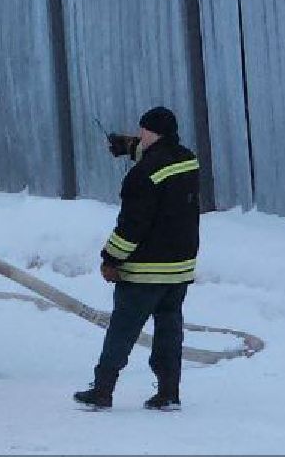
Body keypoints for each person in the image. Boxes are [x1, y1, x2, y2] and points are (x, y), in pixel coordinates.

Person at [74, 105, 202, 411]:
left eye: (141, 130)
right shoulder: (187, 161)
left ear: (150, 132)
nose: (138, 135)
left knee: (122, 330)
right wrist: (131, 147)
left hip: (145, 270)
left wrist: (111, 259)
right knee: (169, 331)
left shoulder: (141, 176)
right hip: (179, 269)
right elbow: (163, 164)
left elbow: (132, 225)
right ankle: (169, 392)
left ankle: (102, 390)